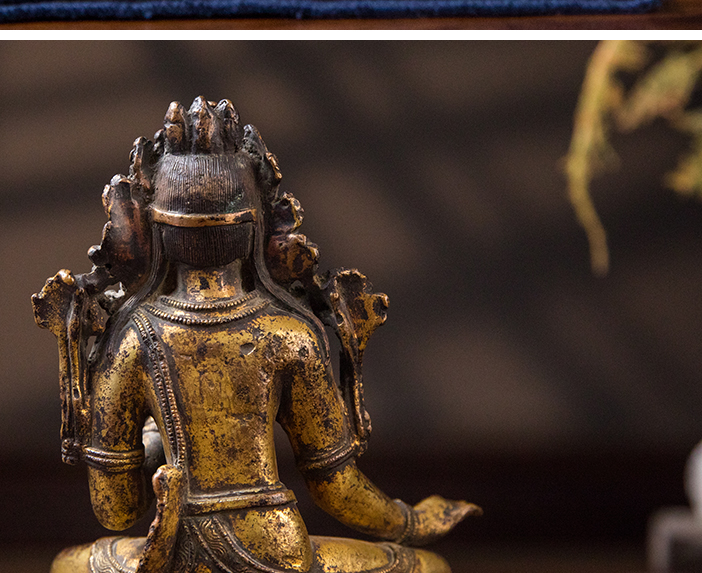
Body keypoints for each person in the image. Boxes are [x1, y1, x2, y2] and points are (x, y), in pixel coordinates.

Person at [37, 98, 478, 573]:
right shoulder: (289, 335)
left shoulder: (133, 338)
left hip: (172, 551)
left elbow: (117, 511)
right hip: (275, 552)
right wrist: (409, 522)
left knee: (69, 564)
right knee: (425, 566)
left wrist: (156, 443)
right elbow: (335, 487)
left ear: (153, 227)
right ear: (258, 223)